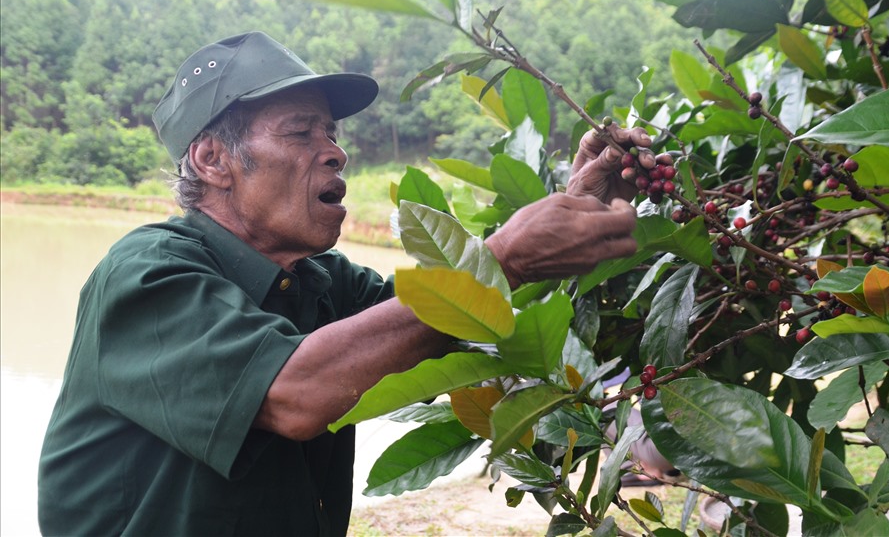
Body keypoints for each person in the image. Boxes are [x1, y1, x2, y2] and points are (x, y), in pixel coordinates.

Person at [37, 31, 652, 536]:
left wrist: (574, 206)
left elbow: (447, 320)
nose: (335, 153)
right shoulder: (147, 273)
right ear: (212, 160)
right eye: (301, 132)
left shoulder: (322, 283)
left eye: (332, 134)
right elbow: (293, 393)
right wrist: (507, 257)